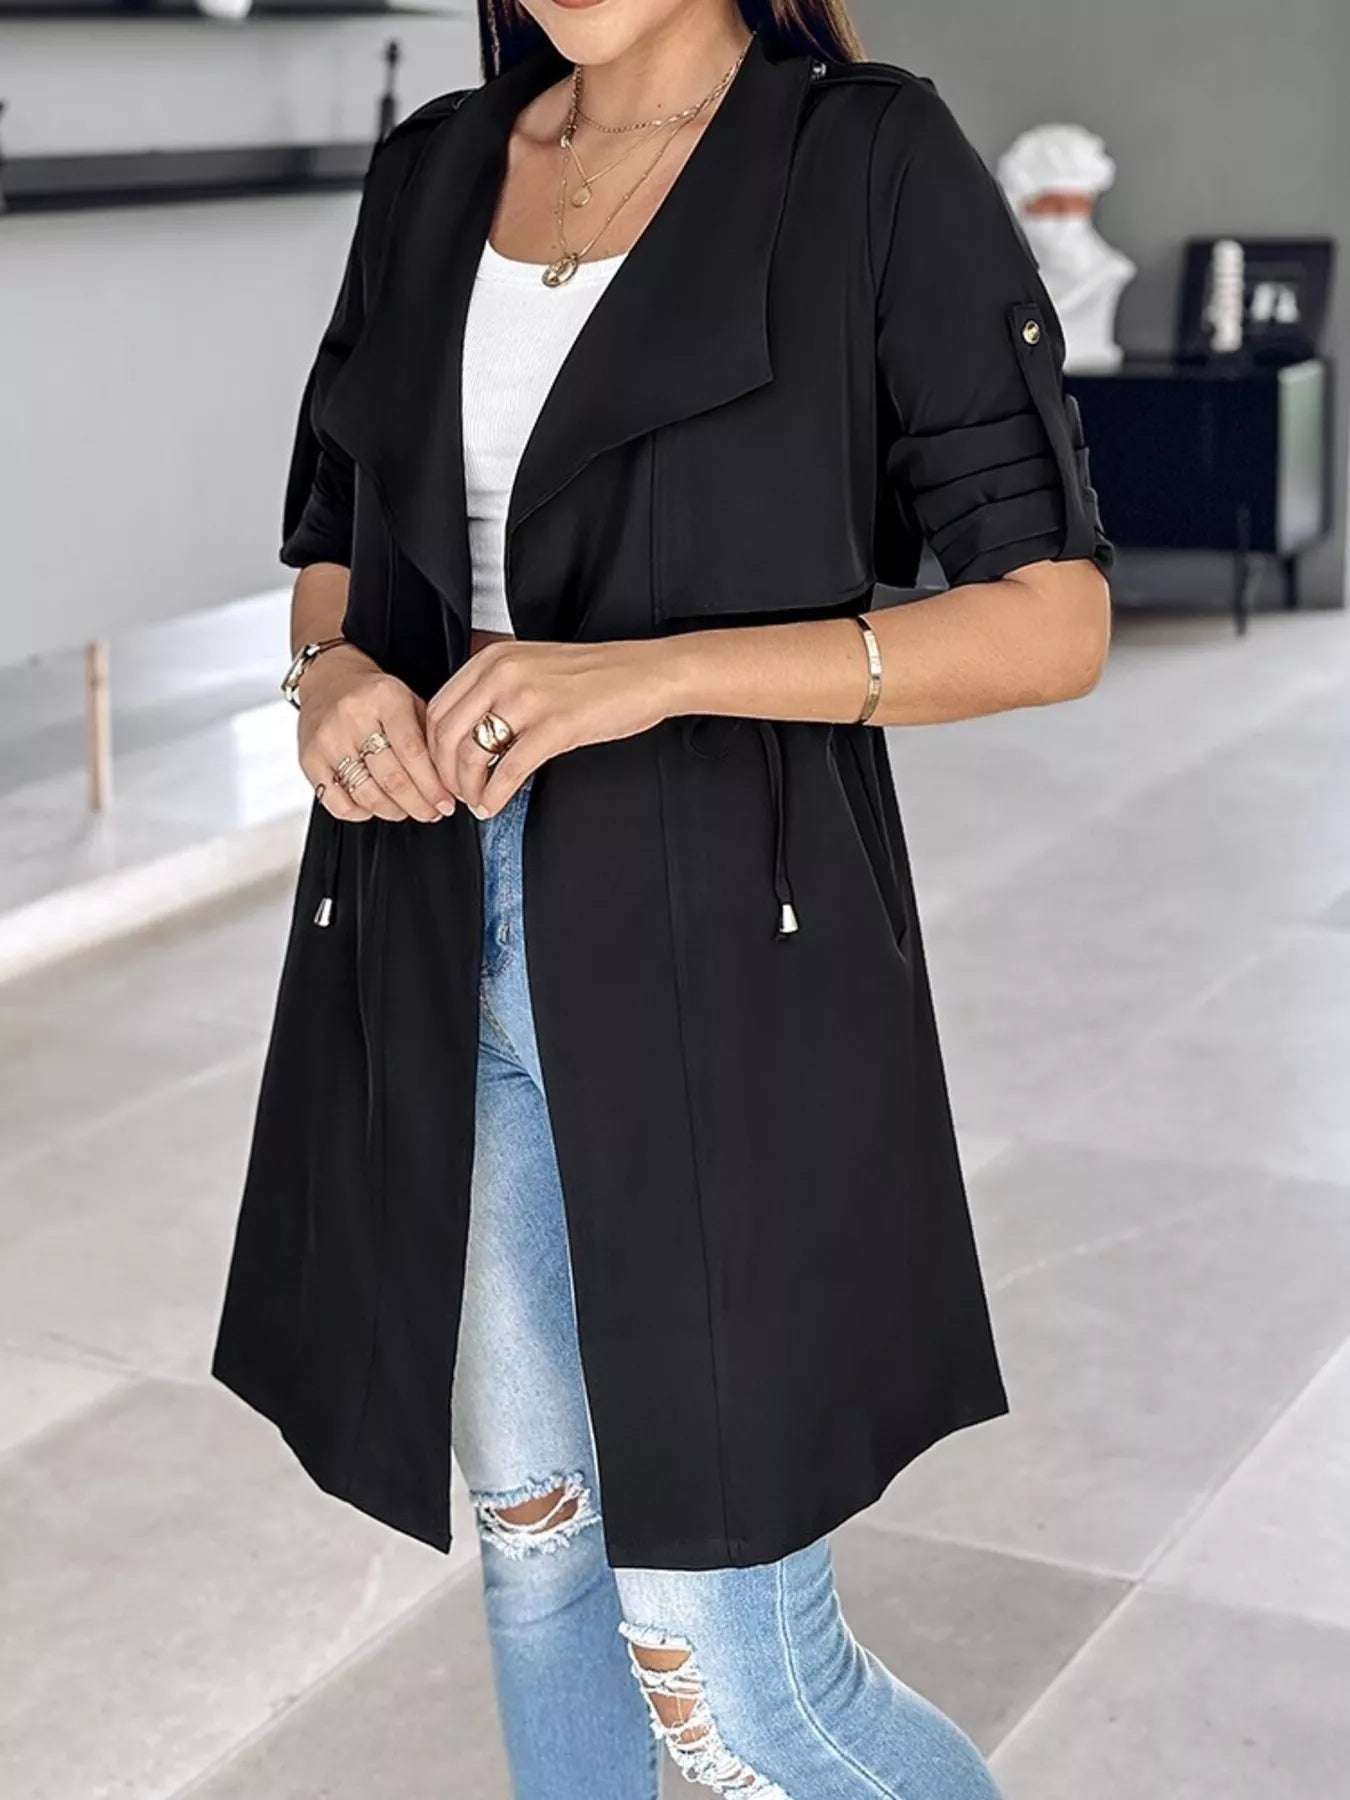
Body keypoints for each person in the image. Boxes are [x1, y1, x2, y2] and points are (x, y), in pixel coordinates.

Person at [213, 1, 1113, 1793]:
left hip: (715, 953)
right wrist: (330, 678)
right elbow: (331, 528)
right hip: (420, 932)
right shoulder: (436, 168)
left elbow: (1052, 618)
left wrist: (654, 673)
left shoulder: (861, 156)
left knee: (734, 1674)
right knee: (539, 1557)